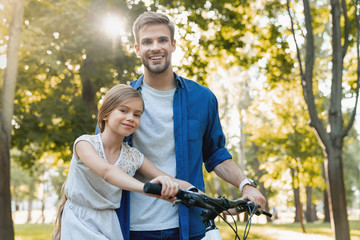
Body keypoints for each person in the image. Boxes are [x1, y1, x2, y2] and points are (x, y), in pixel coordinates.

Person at [106, 11, 266, 240]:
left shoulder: (202, 98)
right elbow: (103, 157)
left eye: (162, 40)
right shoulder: (119, 102)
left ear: (173, 45)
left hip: (189, 226)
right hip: (132, 227)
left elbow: (216, 154)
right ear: (137, 49)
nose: (155, 47)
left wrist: (246, 185)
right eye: (147, 42)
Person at [52, 84, 193, 240]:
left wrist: (212, 202)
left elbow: (172, 180)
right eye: (123, 111)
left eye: (137, 114)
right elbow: (107, 172)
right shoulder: (85, 144)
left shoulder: (133, 157)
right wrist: (146, 188)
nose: (130, 118)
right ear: (105, 114)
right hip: (79, 221)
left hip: (109, 223)